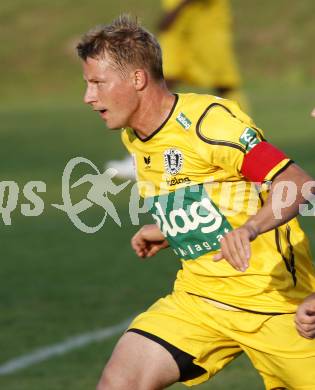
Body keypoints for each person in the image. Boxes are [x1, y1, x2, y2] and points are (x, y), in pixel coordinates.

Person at [77, 15, 315, 390]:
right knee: (119, 383)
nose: (88, 97)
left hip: (275, 302)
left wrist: (250, 229)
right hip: (200, 299)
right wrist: (173, 228)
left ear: (137, 79)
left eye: (97, 84)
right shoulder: (136, 136)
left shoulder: (210, 125)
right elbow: (212, 190)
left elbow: (296, 183)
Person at [106, 0, 247, 180]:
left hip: (205, 22)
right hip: (176, 29)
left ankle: (244, 146)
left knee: (224, 84)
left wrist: (179, 9)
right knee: (160, 80)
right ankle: (143, 155)